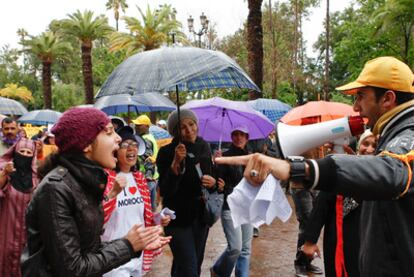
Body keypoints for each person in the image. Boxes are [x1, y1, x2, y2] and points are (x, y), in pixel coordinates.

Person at [215, 56, 414, 276]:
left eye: (361, 97)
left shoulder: (408, 139)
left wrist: (297, 169)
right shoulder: (395, 136)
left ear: (387, 98)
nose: (356, 107)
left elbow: (393, 171)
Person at [22, 107, 170, 277]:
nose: (118, 138)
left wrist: (135, 243)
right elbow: (72, 269)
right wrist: (127, 246)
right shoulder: (55, 189)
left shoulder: (85, 182)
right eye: (109, 132)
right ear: (86, 144)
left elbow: (88, 248)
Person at [302, 130, 377, 277]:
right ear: (357, 147)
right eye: (366, 144)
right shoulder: (342, 169)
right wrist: (310, 241)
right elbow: (321, 207)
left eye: (375, 145)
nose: (370, 149)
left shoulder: (387, 176)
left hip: (372, 242)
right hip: (341, 240)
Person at [102, 126, 171, 277]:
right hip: (113, 257)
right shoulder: (104, 178)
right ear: (115, 150)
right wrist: (113, 193)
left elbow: (142, 215)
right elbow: (97, 215)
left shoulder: (139, 178)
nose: (131, 149)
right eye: (125, 145)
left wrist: (158, 218)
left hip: (137, 255)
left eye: (134, 145)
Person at [157, 109, 217, 277]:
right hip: (176, 218)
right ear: (175, 132)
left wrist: (213, 182)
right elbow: (166, 189)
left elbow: (211, 176)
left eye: (191, 124)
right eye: (182, 127)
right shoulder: (166, 152)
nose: (189, 130)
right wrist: (175, 163)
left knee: (192, 264)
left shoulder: (203, 146)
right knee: (189, 269)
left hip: (200, 216)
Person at [211, 126, 252, 277]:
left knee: (246, 249)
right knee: (235, 248)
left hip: (247, 207)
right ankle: (219, 271)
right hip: (230, 207)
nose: (238, 137)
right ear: (231, 137)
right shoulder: (225, 157)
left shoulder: (251, 158)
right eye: (235, 134)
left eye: (242, 134)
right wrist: (216, 164)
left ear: (247, 138)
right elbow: (218, 184)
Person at [0, 138, 38, 277]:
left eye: (29, 152)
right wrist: (4, 173)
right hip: (5, 231)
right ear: (15, 152)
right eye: (22, 151)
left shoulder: (36, 179)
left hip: (26, 236)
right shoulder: (6, 173)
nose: (25, 155)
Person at [133, 115, 159, 211]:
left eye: (139, 125)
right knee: (151, 208)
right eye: (136, 125)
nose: (136, 127)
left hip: (146, 178)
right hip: (153, 178)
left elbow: (148, 160)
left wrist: (147, 177)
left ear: (147, 126)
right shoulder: (150, 137)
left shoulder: (145, 140)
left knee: (145, 209)